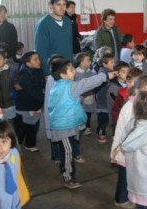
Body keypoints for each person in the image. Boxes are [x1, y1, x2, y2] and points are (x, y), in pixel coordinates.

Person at [48, 58, 116, 189]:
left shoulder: (58, 85)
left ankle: (65, 169)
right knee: (68, 151)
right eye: (72, 70)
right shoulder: (70, 86)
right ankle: (68, 177)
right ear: (63, 75)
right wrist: (105, 75)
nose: (75, 72)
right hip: (64, 126)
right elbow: (87, 83)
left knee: (68, 150)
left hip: (67, 123)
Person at [111, 75, 147, 209]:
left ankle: (128, 195)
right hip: (126, 150)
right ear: (137, 91)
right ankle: (121, 199)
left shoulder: (137, 103)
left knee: (129, 175)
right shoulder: (132, 107)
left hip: (129, 149)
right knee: (125, 176)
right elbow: (135, 132)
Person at [35, 0, 73, 76]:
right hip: (53, 72)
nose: (62, 7)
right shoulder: (43, 24)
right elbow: (41, 51)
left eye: (64, 4)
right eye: (58, 4)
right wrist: (47, 73)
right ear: (51, 5)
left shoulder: (67, 22)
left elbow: (69, 47)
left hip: (67, 70)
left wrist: (71, 67)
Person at [15, 51, 45, 152]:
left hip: (35, 106)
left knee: (33, 126)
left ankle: (30, 144)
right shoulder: (24, 76)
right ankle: (16, 145)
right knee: (21, 128)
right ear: (28, 64)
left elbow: (42, 85)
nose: (39, 61)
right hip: (24, 107)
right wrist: (46, 98)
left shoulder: (39, 71)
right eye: (35, 59)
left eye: (38, 59)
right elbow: (32, 91)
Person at [95, 52, 115, 143]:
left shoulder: (108, 71)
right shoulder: (103, 73)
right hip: (103, 102)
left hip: (107, 101)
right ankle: (100, 133)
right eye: (112, 63)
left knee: (106, 118)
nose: (114, 64)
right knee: (103, 120)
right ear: (104, 64)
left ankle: (101, 131)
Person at [74, 52, 96, 138]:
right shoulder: (76, 73)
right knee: (81, 112)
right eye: (88, 60)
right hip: (81, 98)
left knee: (88, 112)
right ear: (81, 62)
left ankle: (87, 125)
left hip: (90, 96)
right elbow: (75, 86)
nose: (90, 62)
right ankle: (80, 125)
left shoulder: (90, 72)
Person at [106, 61, 129, 131]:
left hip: (126, 116)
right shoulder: (113, 88)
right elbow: (117, 104)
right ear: (116, 73)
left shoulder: (129, 84)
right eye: (124, 72)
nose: (127, 74)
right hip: (117, 117)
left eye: (128, 72)